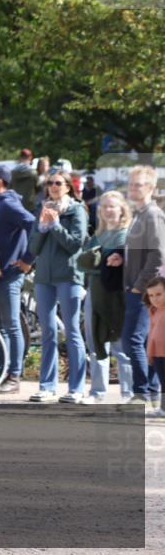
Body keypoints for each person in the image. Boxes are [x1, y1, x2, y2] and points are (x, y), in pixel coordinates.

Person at [26, 169, 88, 403]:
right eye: (50, 183)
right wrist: (43, 227)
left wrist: (55, 225)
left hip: (69, 276)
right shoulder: (43, 209)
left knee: (71, 331)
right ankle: (47, 386)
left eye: (58, 183)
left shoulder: (76, 210)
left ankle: (77, 388)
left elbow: (74, 244)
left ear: (68, 186)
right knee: (48, 331)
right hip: (44, 277)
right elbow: (33, 248)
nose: (53, 186)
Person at [108, 165, 165, 407]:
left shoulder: (152, 215)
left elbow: (158, 256)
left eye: (139, 184)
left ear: (151, 187)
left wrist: (139, 286)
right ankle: (149, 391)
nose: (133, 188)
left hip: (144, 291)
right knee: (143, 341)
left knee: (133, 339)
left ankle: (142, 392)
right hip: (136, 287)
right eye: (131, 184)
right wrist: (123, 259)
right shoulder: (140, 214)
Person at [0, 163, 35, 394]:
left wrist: (27, 259)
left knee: (11, 326)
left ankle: (14, 376)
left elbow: (34, 224)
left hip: (10, 275)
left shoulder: (9, 204)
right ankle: (1, 373)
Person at [78, 191, 131, 402]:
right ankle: (98, 392)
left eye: (113, 206)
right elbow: (85, 263)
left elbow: (104, 263)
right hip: (94, 291)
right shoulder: (96, 236)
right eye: (105, 207)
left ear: (121, 210)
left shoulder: (126, 234)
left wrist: (97, 262)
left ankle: (128, 394)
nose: (108, 210)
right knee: (95, 342)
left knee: (119, 344)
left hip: (116, 294)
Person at [143, 276, 165, 417]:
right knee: (163, 382)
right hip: (157, 354)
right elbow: (151, 335)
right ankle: (163, 409)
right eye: (151, 295)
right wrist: (149, 353)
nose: (155, 298)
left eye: (159, 294)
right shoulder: (153, 311)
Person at [10, 148, 38, 213]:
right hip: (29, 205)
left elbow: (9, 187)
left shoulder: (13, 172)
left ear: (20, 157)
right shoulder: (33, 173)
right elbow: (38, 187)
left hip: (16, 203)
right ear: (30, 157)